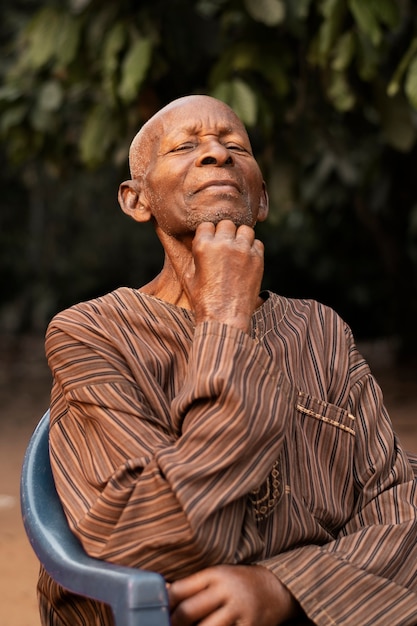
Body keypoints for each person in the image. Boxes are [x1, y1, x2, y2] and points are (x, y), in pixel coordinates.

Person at [38, 94, 417, 626]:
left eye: (235, 145)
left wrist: (284, 586)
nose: (217, 154)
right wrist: (224, 320)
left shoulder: (322, 330)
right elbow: (149, 536)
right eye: (186, 146)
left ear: (261, 198)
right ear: (135, 200)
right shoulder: (92, 333)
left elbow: (400, 507)